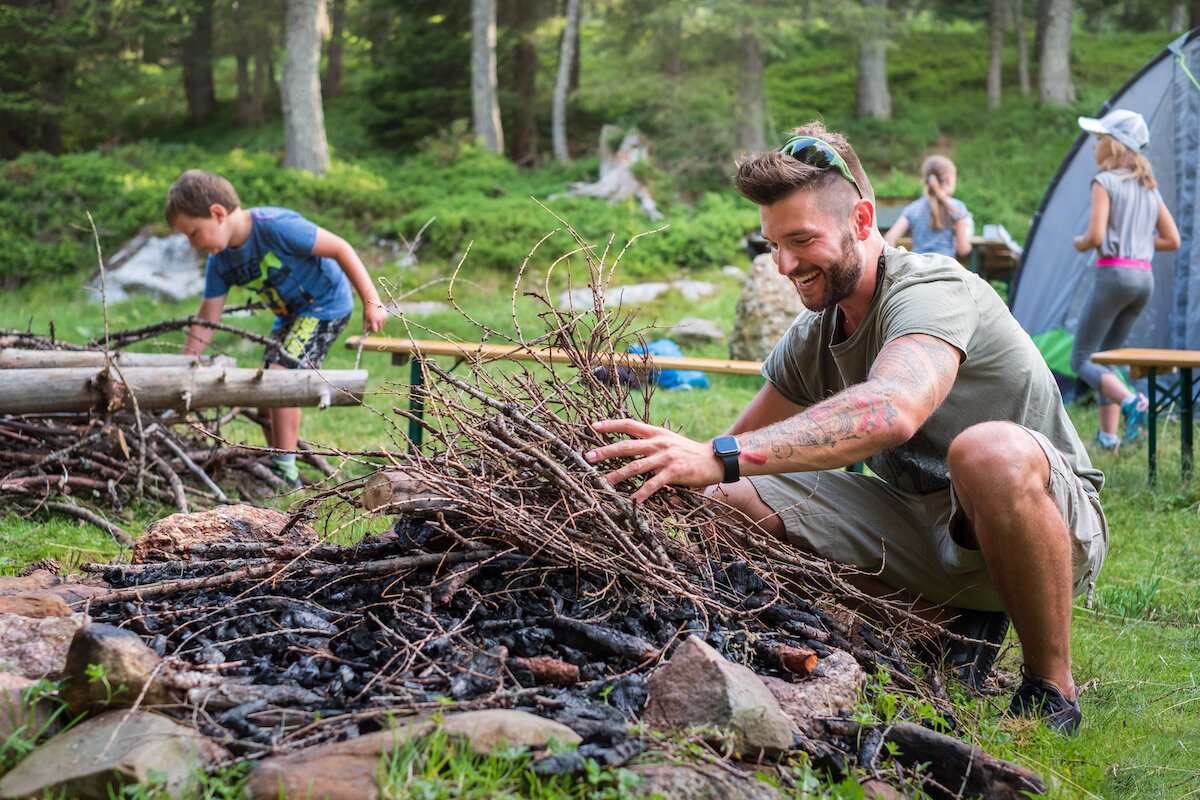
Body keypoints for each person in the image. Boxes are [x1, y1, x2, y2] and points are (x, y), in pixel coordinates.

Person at [584, 122, 1108, 736]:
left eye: (801, 240)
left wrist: (720, 453)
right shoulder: (814, 335)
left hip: (1050, 525)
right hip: (924, 529)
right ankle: (942, 626)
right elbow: (724, 466)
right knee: (729, 500)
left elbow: (892, 408)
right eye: (772, 244)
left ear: (861, 221)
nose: (784, 265)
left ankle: (1050, 687)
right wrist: (666, 470)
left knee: (987, 452)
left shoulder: (933, 289)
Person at [165, 169, 388, 490]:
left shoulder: (275, 227)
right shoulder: (220, 262)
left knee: (281, 378)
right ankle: (279, 460)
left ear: (217, 214)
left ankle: (286, 474)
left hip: (325, 305)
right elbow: (207, 319)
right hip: (289, 317)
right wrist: (183, 367)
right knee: (264, 389)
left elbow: (341, 248)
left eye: (193, 233)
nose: (192, 243)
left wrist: (372, 300)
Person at [1070, 109, 1181, 453]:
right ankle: (1108, 438)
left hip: (1114, 275)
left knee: (1082, 359)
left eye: (1099, 139)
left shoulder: (1104, 182)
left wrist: (1081, 241)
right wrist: (1139, 244)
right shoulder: (1149, 188)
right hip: (1143, 279)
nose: (1093, 145)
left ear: (1115, 145)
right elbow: (1172, 240)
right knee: (1106, 358)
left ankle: (1135, 403)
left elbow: (1095, 235)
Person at [883, 155, 973, 259]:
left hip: (918, 267)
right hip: (946, 267)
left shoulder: (912, 209)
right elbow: (963, 249)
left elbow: (889, 239)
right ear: (949, 180)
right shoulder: (957, 208)